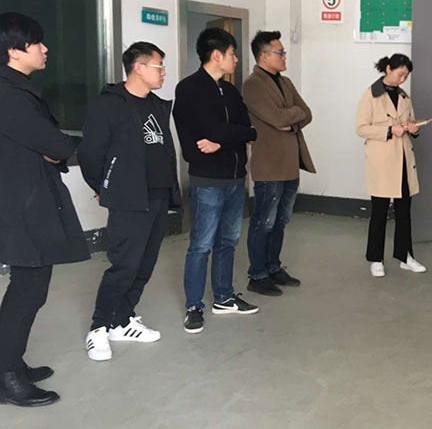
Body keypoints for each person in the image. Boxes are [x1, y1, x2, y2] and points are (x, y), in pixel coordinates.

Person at [0, 12, 89, 406]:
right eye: (36, 42)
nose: (45, 48)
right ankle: (6, 377)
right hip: (20, 205)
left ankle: (10, 363)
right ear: (14, 51)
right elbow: (56, 144)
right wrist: (55, 148)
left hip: (27, 199)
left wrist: (52, 148)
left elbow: (50, 145)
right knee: (27, 290)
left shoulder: (17, 89)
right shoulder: (8, 93)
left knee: (30, 289)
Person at [78, 42, 181, 361]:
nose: (163, 73)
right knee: (125, 265)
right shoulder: (109, 105)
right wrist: (104, 186)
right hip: (129, 197)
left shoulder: (156, 105)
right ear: (138, 67)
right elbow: (90, 153)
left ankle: (121, 320)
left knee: (145, 264)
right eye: (159, 66)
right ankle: (98, 328)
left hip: (158, 194)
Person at [173, 28, 260, 333]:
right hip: (207, 180)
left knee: (228, 242)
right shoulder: (189, 89)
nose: (236, 59)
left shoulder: (231, 91)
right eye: (232, 53)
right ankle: (193, 305)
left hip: (236, 179)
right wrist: (230, 136)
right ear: (216, 55)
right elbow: (196, 140)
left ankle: (223, 297)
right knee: (201, 245)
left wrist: (220, 140)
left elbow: (250, 131)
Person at [242, 30, 315, 296]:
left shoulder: (285, 82)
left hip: (290, 164)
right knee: (264, 221)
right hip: (269, 166)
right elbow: (278, 118)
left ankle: (273, 267)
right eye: (280, 52)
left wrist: (289, 120)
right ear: (263, 56)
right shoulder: (253, 85)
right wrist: (289, 116)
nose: (284, 56)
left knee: (281, 221)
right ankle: (257, 274)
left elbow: (306, 113)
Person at [355, 53, 426, 277]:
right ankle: (375, 259)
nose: (402, 79)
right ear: (388, 69)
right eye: (400, 74)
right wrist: (388, 130)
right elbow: (361, 128)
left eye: (406, 76)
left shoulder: (404, 96)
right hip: (382, 163)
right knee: (379, 212)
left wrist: (414, 128)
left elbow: (411, 121)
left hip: (403, 161)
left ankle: (405, 256)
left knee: (404, 212)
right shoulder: (370, 95)